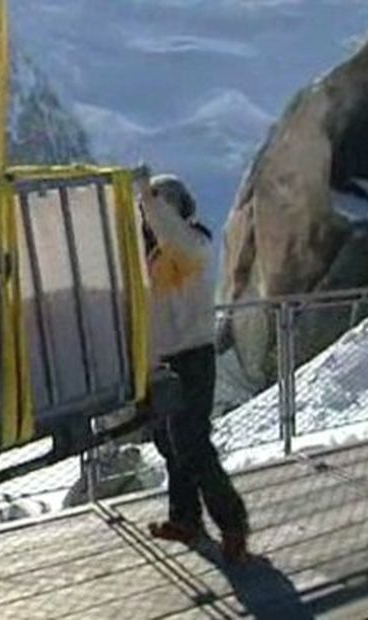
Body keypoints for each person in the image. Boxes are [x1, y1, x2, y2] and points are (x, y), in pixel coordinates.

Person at [135, 164, 250, 563]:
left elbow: (172, 235)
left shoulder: (193, 245)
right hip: (163, 359)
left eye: (161, 206)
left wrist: (147, 197)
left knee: (192, 443)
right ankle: (185, 518)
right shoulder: (151, 256)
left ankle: (233, 523)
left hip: (193, 357)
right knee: (169, 443)